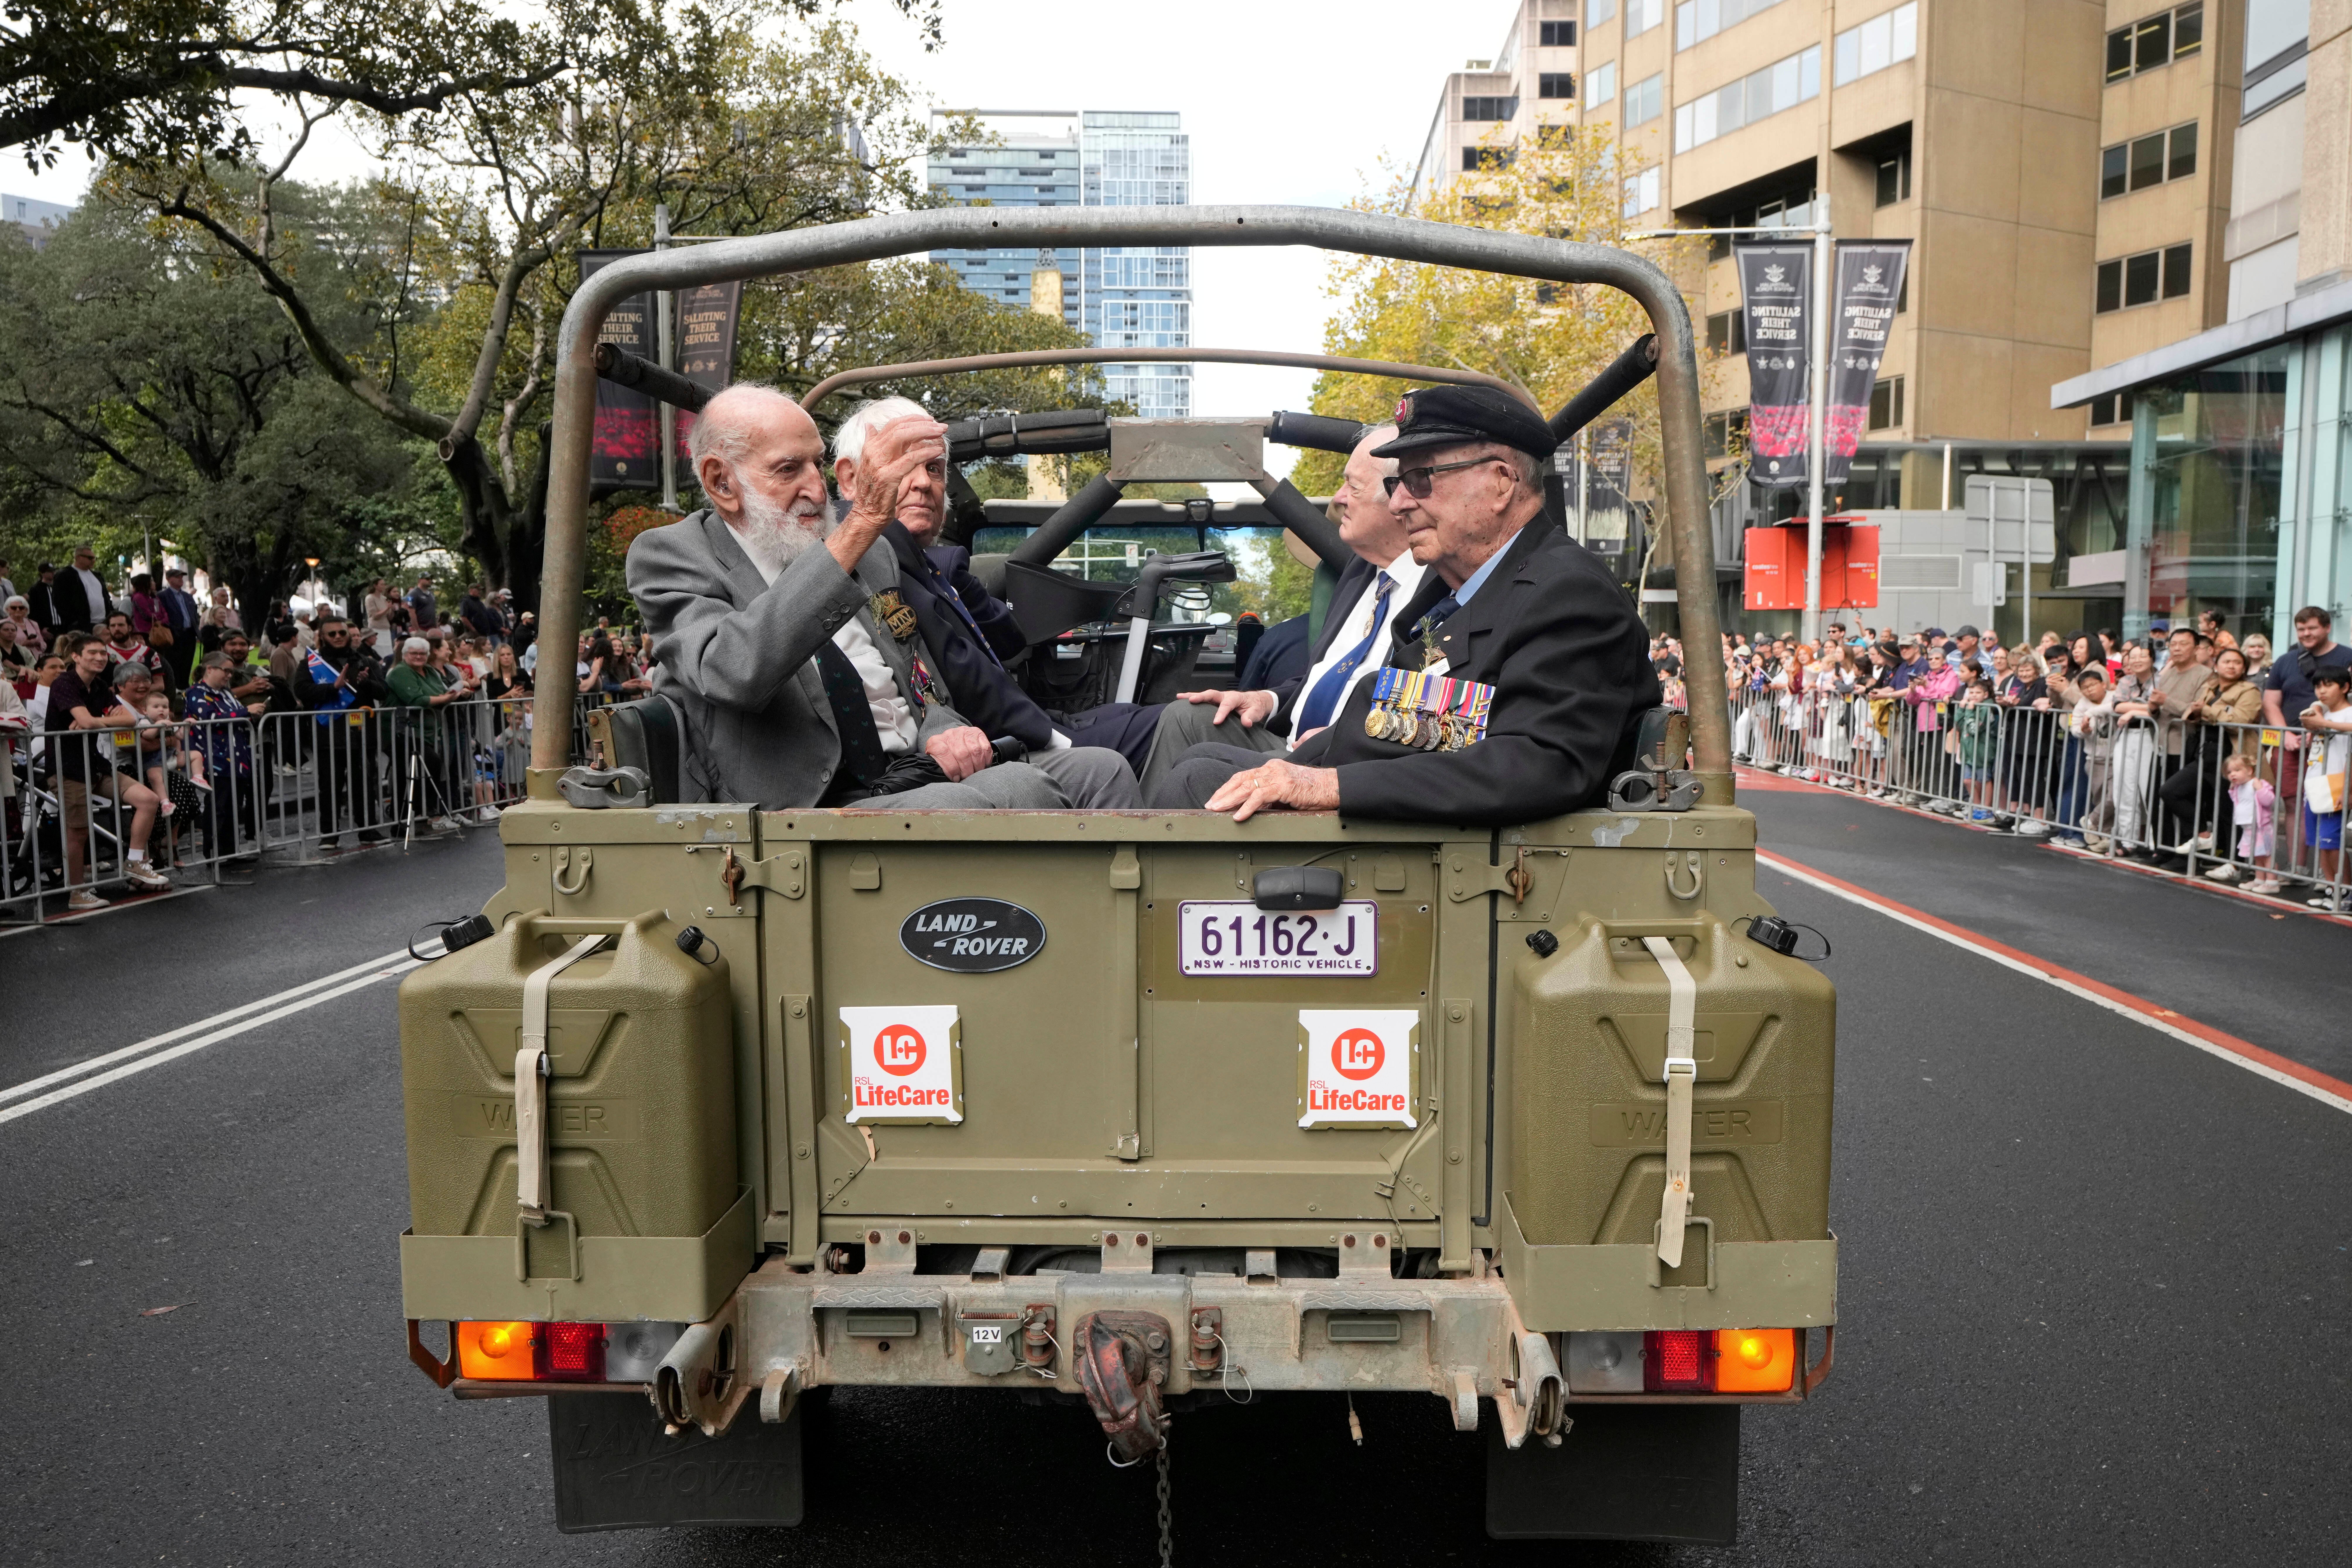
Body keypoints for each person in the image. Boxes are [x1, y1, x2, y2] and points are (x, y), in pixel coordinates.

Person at [1149, 384, 1659, 822]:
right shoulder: (1456, 593)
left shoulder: (1569, 596)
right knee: (1202, 758)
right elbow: (1421, 716)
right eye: (1396, 484)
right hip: (1411, 814)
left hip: (1466, 860)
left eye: (1420, 481)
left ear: (1501, 482)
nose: (1398, 503)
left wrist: (1323, 787)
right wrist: (1306, 762)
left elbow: (1539, 763)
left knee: (1197, 786)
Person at [627, 382, 1136, 811]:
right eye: (788, 470)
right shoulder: (672, 556)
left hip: (913, 773)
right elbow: (733, 670)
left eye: (816, 464)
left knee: (1101, 771)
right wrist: (859, 530)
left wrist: (941, 725)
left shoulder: (869, 556)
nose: (817, 489)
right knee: (1005, 793)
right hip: (807, 805)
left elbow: (923, 680)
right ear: (722, 482)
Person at [839, 397, 1164, 775]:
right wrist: (1056, 737)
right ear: (850, 479)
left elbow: (1007, 639)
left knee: (1166, 718)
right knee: (1174, 727)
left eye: (933, 468)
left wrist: (956, 581)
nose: (924, 483)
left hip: (1019, 727)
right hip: (991, 747)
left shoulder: (938, 565)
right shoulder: (869, 554)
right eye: (903, 465)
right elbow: (958, 669)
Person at [1137, 420, 1424, 796]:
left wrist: (1349, 736)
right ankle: (1142, 845)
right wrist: (1265, 699)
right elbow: (1325, 679)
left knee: (1197, 773)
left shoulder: (1439, 588)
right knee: (1183, 717)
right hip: (1294, 742)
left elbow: (1429, 711)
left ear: (1401, 498)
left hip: (1347, 763)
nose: (1337, 499)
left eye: (1352, 487)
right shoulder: (1358, 574)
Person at [46, 633, 171, 905]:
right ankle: (77, 893)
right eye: (92, 653)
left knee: (148, 800)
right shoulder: (64, 684)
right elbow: (86, 722)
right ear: (76, 657)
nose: (100, 658)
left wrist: (96, 720)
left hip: (95, 763)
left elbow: (129, 718)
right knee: (78, 832)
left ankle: (135, 863)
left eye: (103, 653)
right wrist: (98, 721)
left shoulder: (100, 686)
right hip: (68, 767)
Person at [294, 614, 390, 850]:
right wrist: (332, 688)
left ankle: (368, 830)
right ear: (323, 637)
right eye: (332, 634)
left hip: (361, 734)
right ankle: (329, 834)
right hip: (328, 734)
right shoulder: (311, 663)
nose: (338, 637)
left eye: (342, 633)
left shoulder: (365, 661)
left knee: (364, 783)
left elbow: (384, 692)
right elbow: (301, 690)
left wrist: (366, 683)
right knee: (329, 785)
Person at [2298, 666, 2351, 910]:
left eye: (2328, 685)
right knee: (2320, 841)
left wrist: (2323, 721)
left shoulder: (2347, 714)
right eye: (2318, 686)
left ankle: (2346, 891)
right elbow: (2312, 709)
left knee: (2332, 842)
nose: (2321, 691)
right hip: (2315, 783)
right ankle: (2332, 888)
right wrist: (2319, 715)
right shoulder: (2322, 713)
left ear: (2345, 688)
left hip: (2336, 784)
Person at [2217, 752, 2279, 891]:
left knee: (2267, 855)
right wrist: (2232, 791)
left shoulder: (2258, 784)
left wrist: (2260, 789)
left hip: (2261, 827)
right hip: (2249, 828)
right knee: (2257, 855)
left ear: (2250, 771)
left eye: (2237, 771)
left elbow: (2269, 800)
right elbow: (2240, 803)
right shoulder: (2238, 788)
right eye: (2229, 772)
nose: (2233, 775)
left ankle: (2272, 883)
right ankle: (2260, 879)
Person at [52, 545, 110, 634]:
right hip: (82, 626)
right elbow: (59, 601)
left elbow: (106, 597)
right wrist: (74, 621)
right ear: (78, 557)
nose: (93, 561)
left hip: (103, 623)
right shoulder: (66, 575)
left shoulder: (97, 576)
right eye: (90, 558)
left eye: (94, 558)